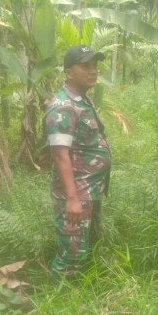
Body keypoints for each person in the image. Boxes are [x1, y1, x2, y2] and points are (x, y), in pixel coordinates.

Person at [43, 45, 112, 277]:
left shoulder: (82, 100)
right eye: (85, 66)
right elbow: (60, 155)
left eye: (94, 66)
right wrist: (72, 199)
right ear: (69, 72)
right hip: (76, 193)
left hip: (89, 189)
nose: (92, 71)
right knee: (71, 254)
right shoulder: (64, 106)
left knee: (85, 246)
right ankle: (60, 305)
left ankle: (82, 299)